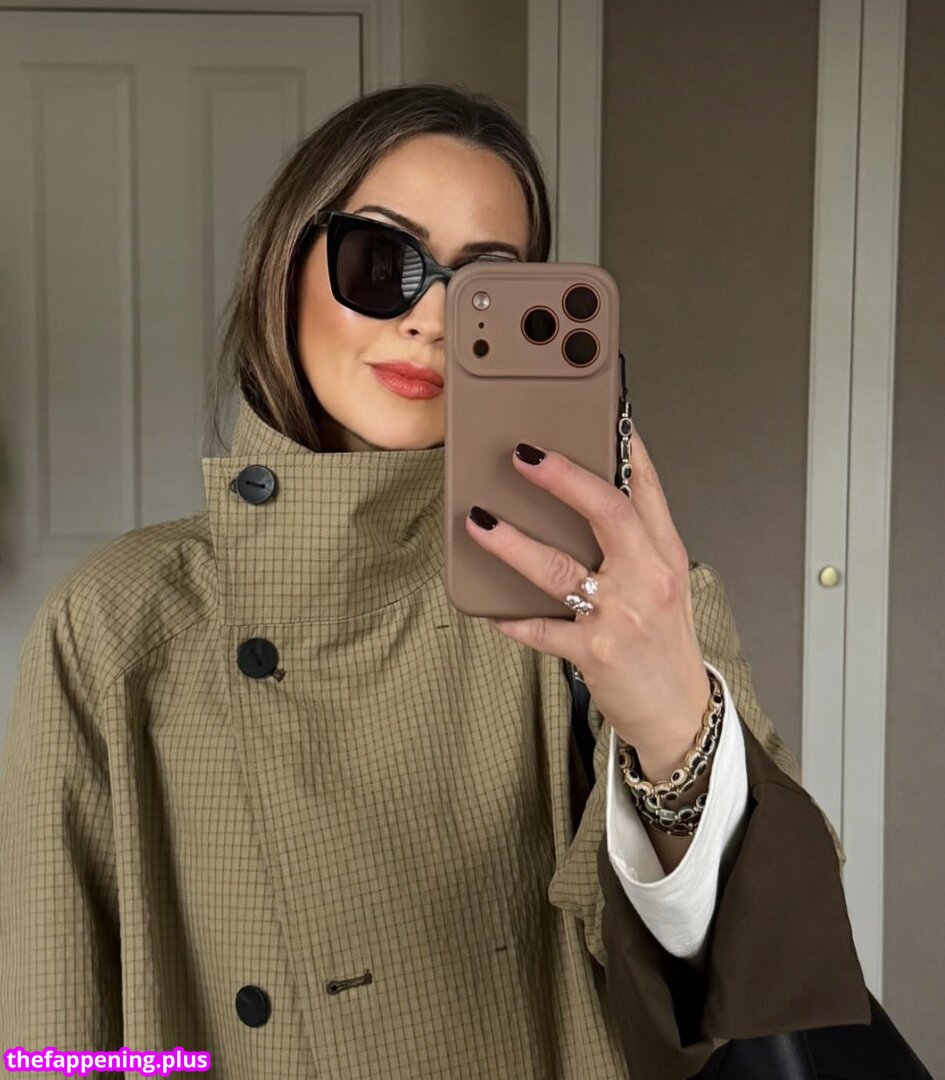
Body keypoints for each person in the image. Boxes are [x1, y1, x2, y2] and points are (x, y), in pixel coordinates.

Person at [0, 84, 872, 1080]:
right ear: (287, 263)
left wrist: (674, 730)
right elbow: (51, 1029)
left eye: (484, 291)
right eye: (382, 261)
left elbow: (753, 976)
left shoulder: (610, 593)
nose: (430, 319)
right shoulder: (116, 622)